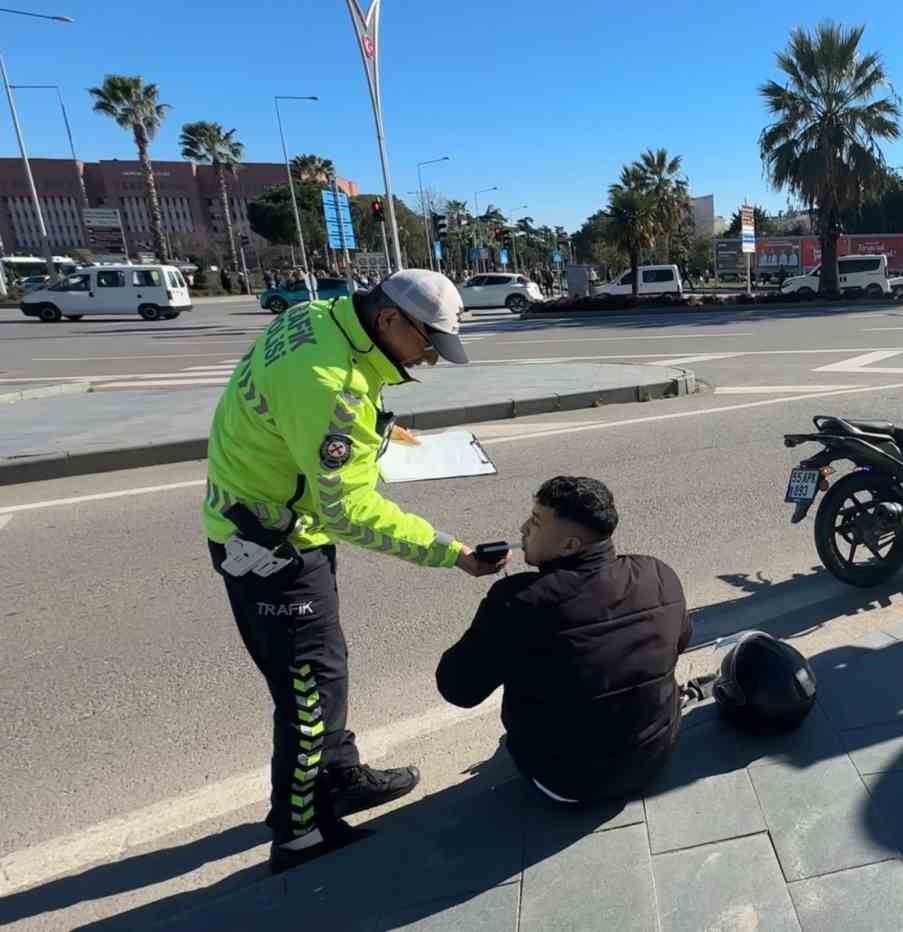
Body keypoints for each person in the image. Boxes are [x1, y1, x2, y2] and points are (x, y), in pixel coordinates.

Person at [203, 268, 509, 874]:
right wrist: (452, 552)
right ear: (390, 318)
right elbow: (347, 509)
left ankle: (339, 777)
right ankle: (297, 834)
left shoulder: (316, 318)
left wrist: (373, 433)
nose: (429, 359)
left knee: (325, 668)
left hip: (274, 518)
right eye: (428, 343)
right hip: (273, 549)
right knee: (308, 692)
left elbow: (301, 421)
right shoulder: (333, 384)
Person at [436, 477, 690, 805]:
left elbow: (458, 689)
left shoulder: (519, 601)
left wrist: (497, 621)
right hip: (655, 759)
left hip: (566, 782)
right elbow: (681, 641)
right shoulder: (657, 572)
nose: (523, 528)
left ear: (569, 545)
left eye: (535, 522)